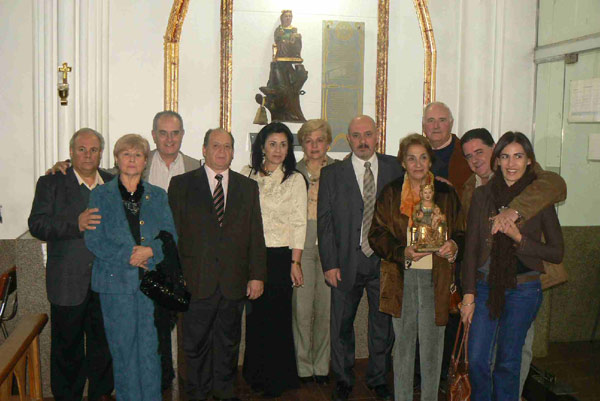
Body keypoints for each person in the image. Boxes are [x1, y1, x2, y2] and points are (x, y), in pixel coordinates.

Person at [460, 128, 567, 397]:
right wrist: (468, 296)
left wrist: (519, 238)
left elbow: (556, 252)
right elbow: (471, 249)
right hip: (485, 289)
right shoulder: (482, 195)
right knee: (477, 360)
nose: (511, 164)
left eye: (518, 156)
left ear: (529, 160)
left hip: (524, 290)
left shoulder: (538, 197)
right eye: (505, 157)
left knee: (508, 363)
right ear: (497, 160)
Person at [168, 128, 267, 401]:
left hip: (233, 281)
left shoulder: (248, 187)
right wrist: (177, 279)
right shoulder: (182, 184)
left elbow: (255, 234)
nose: (221, 151)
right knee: (194, 345)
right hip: (195, 279)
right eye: (215, 145)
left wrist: (256, 275)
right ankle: (197, 394)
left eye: (227, 146)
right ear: (204, 149)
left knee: (228, 344)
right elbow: (172, 236)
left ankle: (224, 392)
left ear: (234, 152)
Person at [368, 134, 464, 401]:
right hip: (402, 276)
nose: (418, 163)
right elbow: (376, 234)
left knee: (433, 345)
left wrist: (454, 245)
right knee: (404, 345)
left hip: (438, 277)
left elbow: (462, 232)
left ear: (430, 161)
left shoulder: (446, 193)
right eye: (411, 158)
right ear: (403, 162)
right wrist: (402, 251)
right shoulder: (390, 192)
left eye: (423, 157)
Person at [85, 134, 177, 401]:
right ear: (116, 159)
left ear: (146, 161)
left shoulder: (158, 196)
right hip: (115, 285)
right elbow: (93, 239)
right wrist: (128, 255)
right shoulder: (100, 196)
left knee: (150, 350)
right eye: (126, 154)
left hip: (151, 283)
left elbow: (171, 236)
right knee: (123, 350)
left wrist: (151, 251)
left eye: (138, 155)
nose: (132, 159)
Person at [318, 115, 402, 401]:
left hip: (385, 263)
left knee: (382, 326)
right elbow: (325, 223)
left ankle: (378, 378)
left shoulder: (395, 168)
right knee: (341, 325)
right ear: (348, 138)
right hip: (344, 263)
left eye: (367, 134)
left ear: (377, 135)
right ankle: (343, 378)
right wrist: (329, 263)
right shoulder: (332, 174)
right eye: (356, 135)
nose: (362, 141)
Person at [28, 128, 114, 401]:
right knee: (67, 348)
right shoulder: (51, 182)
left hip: (107, 281)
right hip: (67, 280)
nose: (88, 155)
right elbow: (37, 224)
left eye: (94, 150)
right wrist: (74, 224)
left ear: (101, 153)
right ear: (71, 152)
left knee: (104, 344)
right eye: (81, 149)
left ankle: (101, 393)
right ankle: (67, 396)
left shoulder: (114, 183)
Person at [241, 122, 307, 398]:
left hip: (281, 256)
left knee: (278, 319)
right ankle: (255, 373)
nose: (278, 150)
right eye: (272, 144)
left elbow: (299, 222)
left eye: (283, 144)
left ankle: (278, 378)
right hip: (252, 255)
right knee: (255, 318)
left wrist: (296, 262)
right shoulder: (246, 175)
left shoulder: (294, 179)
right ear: (262, 146)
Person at [46, 110, 199, 192]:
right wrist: (68, 165)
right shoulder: (138, 162)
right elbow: (98, 172)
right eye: (163, 133)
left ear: (182, 134)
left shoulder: (196, 167)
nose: (170, 139)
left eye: (175, 133)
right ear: (154, 135)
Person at [293, 119, 336, 385]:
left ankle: (322, 365)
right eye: (309, 140)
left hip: (330, 243)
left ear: (328, 143)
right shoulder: (293, 171)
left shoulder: (339, 170)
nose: (314, 145)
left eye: (319, 140)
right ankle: (302, 366)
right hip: (301, 242)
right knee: (301, 308)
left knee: (326, 309)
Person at [422, 101, 472, 197]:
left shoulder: (466, 154)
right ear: (424, 125)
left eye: (442, 120)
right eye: (431, 120)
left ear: (451, 124)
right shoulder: (413, 154)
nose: (436, 126)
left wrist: (452, 192)